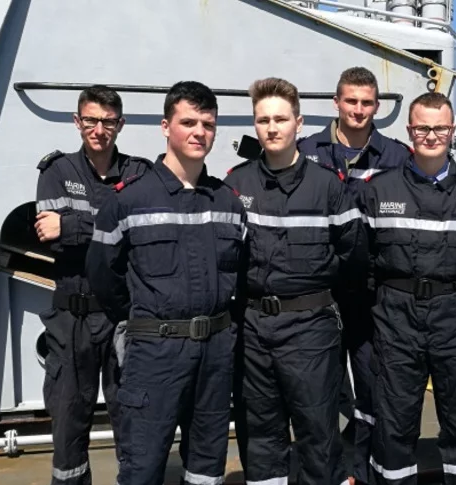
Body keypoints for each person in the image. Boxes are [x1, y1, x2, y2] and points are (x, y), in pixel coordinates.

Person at [86, 81, 246, 485]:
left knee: (207, 466)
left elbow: (239, 275)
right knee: (142, 466)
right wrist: (142, 323)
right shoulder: (128, 201)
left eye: (208, 124)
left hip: (215, 353)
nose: (199, 133)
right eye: (188, 122)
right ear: (165, 126)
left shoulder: (228, 202)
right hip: (155, 353)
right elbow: (105, 278)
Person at [225, 77, 367, 485]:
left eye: (281, 119)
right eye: (263, 119)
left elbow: (352, 257)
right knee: (261, 435)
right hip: (254, 329)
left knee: (317, 434)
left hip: (311, 329)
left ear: (298, 124)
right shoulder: (237, 185)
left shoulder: (328, 187)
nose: (272, 128)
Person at [360, 92, 456, 485]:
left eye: (440, 127)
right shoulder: (379, 191)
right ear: (409, 131)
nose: (431, 135)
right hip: (396, 318)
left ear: (453, 132)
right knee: (394, 422)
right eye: (423, 127)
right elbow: (365, 261)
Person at [298, 66, 411, 484]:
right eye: (351, 101)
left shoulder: (398, 157)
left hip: (374, 293)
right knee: (319, 390)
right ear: (336, 103)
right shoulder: (306, 151)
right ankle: (325, 471)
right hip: (319, 294)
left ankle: (359, 472)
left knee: (371, 388)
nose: (359, 110)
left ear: (377, 107)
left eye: (367, 103)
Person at [34, 85, 150, 485]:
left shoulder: (140, 172)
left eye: (108, 121)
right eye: (91, 120)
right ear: (77, 121)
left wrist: (73, 223)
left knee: (132, 419)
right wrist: (108, 221)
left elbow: (140, 235)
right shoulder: (57, 172)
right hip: (72, 321)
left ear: (121, 124)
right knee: (68, 427)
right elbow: (49, 233)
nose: (99, 129)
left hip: (122, 318)